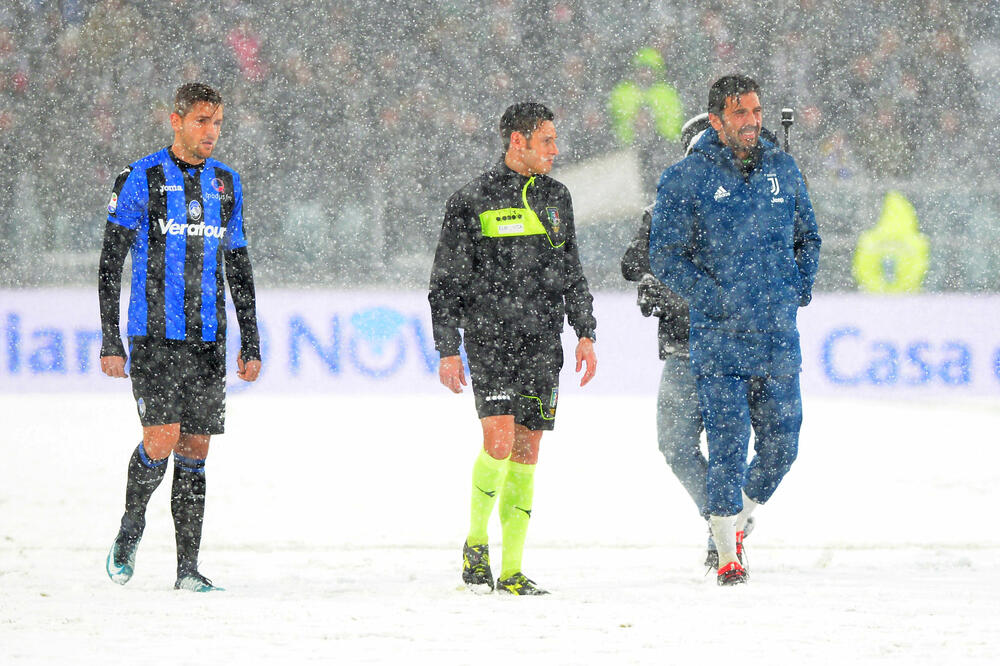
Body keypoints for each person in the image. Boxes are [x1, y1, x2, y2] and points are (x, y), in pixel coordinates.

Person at [649, 75, 821, 586]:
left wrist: (797, 287)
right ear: (717, 119)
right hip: (719, 338)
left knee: (782, 447)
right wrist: (712, 298)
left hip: (776, 336)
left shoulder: (784, 169)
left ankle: (738, 521)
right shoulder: (684, 178)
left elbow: (808, 236)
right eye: (740, 112)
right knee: (727, 445)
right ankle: (727, 556)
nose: (752, 120)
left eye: (756, 110)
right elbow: (662, 255)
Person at [429, 102, 597, 596]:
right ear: (517, 142)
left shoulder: (557, 197)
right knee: (498, 441)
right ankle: (477, 543)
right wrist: (447, 347)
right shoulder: (471, 200)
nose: (555, 149)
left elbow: (572, 269)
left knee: (528, 450)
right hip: (491, 341)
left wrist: (585, 331)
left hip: (543, 344)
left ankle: (512, 570)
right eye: (546, 140)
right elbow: (445, 283)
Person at [98, 82, 261, 593]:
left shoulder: (227, 183)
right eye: (201, 122)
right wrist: (110, 338)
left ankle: (187, 568)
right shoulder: (141, 177)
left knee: (196, 448)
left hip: (208, 338)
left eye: (217, 123)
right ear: (176, 120)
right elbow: (110, 262)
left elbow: (238, 264)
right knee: (161, 438)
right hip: (155, 335)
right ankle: (131, 524)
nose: (211, 132)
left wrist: (250, 339)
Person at [621, 113, 752, 570]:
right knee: (678, 444)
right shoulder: (666, 206)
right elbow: (633, 261)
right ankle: (726, 521)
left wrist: (673, 288)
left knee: (718, 446)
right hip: (687, 348)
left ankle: (725, 528)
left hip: (724, 346)